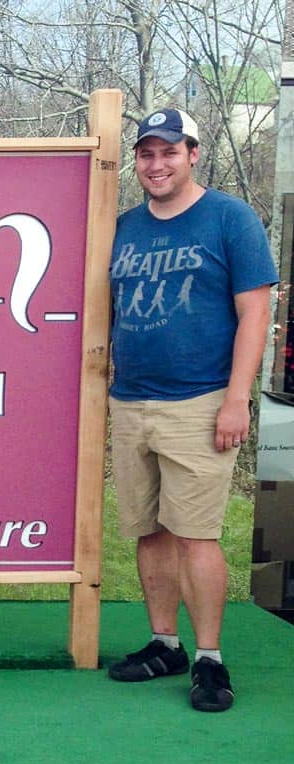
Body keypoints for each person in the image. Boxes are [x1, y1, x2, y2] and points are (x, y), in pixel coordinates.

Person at [106, 108, 277, 712]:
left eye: (169, 152)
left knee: (195, 535)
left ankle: (210, 660)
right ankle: (164, 643)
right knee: (148, 532)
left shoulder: (229, 218)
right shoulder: (124, 226)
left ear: (193, 154)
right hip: (130, 400)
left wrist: (237, 399)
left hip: (200, 400)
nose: (157, 164)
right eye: (147, 154)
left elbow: (256, 312)